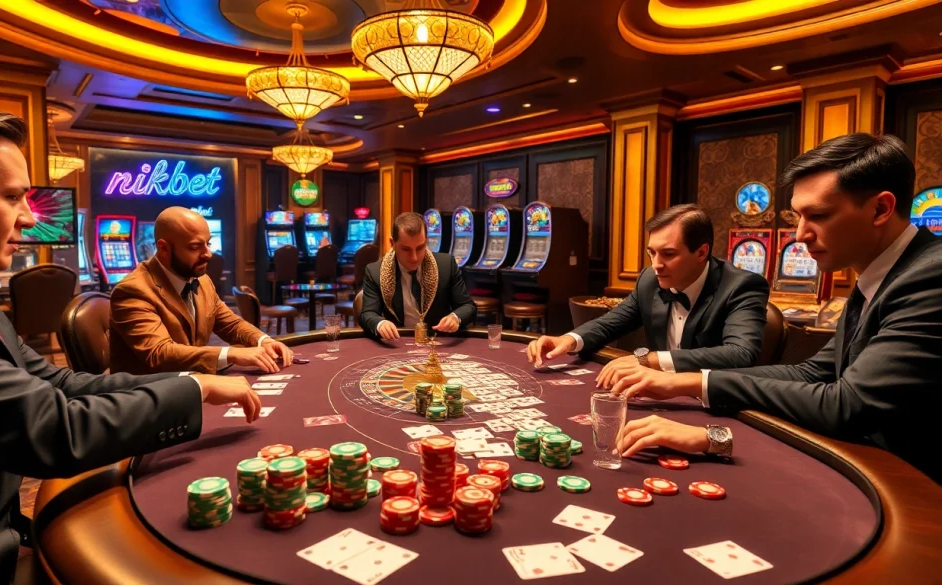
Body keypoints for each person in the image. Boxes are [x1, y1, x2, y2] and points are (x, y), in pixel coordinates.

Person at [0, 93, 260, 585]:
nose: (31, 218)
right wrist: (194, 389)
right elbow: (54, 427)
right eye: (12, 197)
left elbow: (52, 380)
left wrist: (192, 382)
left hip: (4, 538)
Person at [608, 133, 942, 483]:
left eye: (818, 215)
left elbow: (845, 405)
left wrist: (711, 429)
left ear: (880, 209)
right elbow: (813, 373)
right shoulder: (879, 276)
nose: (799, 235)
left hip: (913, 494)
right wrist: (684, 382)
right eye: (798, 216)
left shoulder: (929, 276)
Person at [526, 204, 770, 387]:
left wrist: (649, 360)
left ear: (701, 252)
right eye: (651, 253)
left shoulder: (742, 286)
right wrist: (569, 340)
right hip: (656, 392)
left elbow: (739, 354)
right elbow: (610, 323)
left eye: (668, 254)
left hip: (713, 401)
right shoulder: (650, 281)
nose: (656, 265)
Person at [109, 207, 293, 375]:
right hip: (149, 398)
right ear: (164, 248)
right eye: (195, 247)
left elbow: (231, 324)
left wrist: (264, 341)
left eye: (208, 244)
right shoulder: (133, 291)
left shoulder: (202, 280)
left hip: (191, 384)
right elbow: (159, 353)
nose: (208, 254)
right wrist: (231, 354)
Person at [359, 211, 477, 340]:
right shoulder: (375, 271)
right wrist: (380, 323)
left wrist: (455, 317)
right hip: (399, 343)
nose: (414, 258)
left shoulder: (446, 265)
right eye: (406, 249)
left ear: (426, 241)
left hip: (438, 342)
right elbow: (368, 314)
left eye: (420, 248)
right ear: (392, 243)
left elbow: (468, 306)